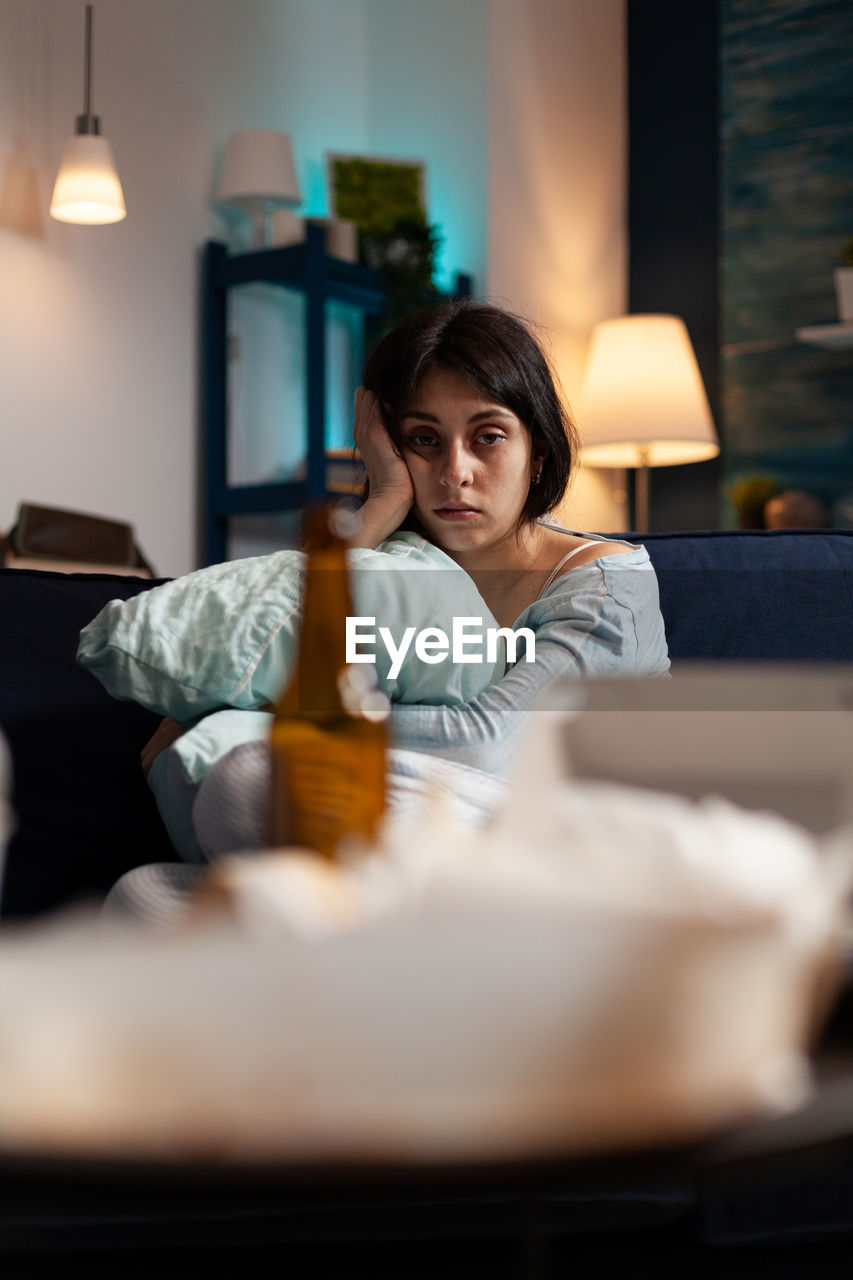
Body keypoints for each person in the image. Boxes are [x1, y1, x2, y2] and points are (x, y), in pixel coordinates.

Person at [106, 299, 669, 923]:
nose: (456, 472)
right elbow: (275, 627)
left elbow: (487, 745)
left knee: (245, 780)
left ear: (536, 450)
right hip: (415, 847)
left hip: (554, 849)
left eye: (488, 437)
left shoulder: (605, 586)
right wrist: (385, 499)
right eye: (424, 441)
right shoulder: (408, 563)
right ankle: (367, 974)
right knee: (141, 898)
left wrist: (239, 712)